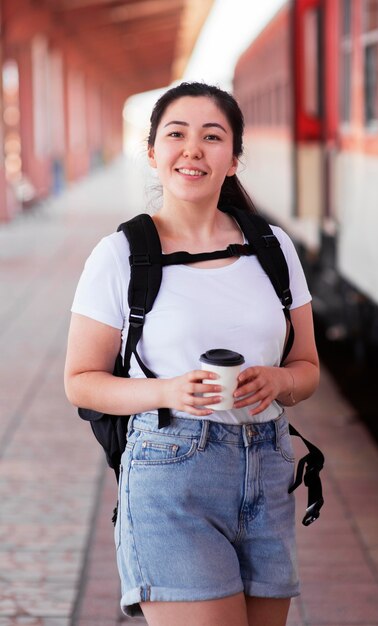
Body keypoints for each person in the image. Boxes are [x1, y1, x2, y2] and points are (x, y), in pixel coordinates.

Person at [64, 82, 320, 626]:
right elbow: (81, 381)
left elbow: (309, 370)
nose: (193, 149)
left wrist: (279, 382)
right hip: (170, 472)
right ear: (153, 152)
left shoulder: (274, 248)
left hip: (268, 466)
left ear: (234, 159)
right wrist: (166, 390)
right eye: (176, 135)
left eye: (212, 136)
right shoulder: (120, 256)